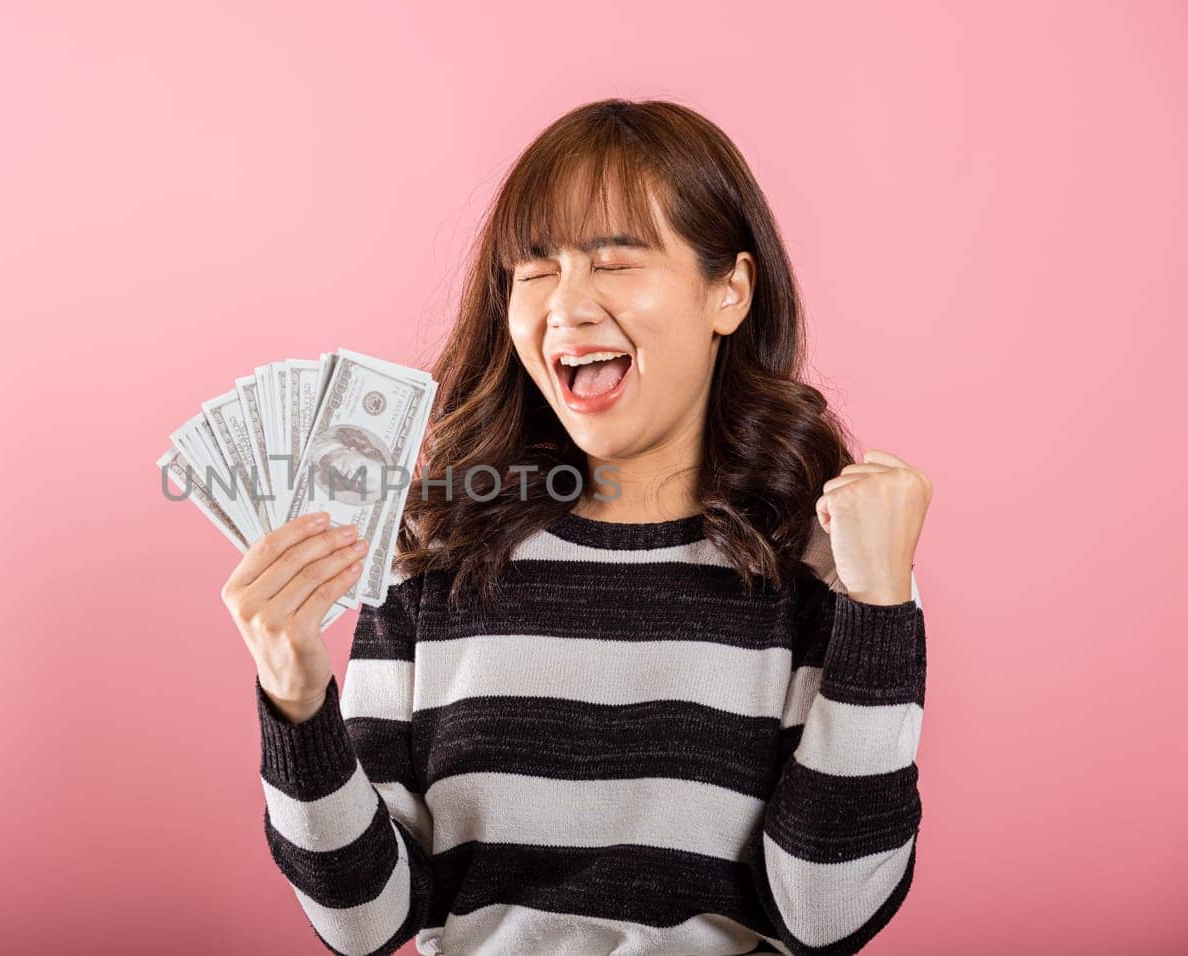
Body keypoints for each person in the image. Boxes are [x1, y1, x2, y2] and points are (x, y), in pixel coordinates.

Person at [222, 98, 933, 956]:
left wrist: (881, 607)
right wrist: (296, 706)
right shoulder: (432, 555)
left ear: (730, 292)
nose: (567, 306)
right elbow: (365, 922)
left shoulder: (826, 567)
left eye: (615, 261)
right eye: (534, 269)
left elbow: (828, 916)